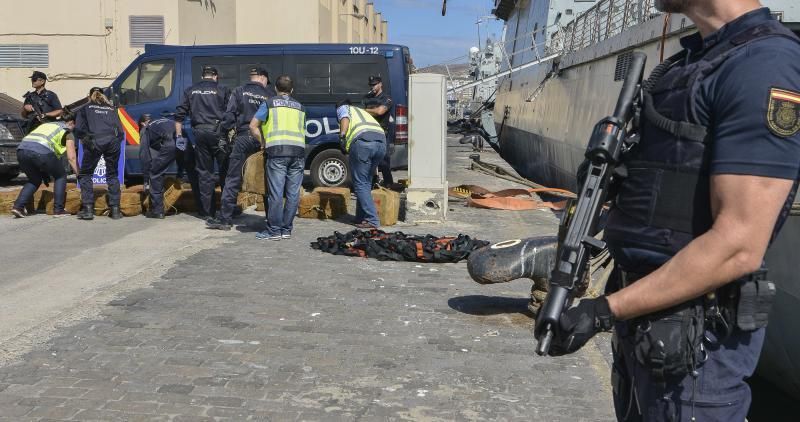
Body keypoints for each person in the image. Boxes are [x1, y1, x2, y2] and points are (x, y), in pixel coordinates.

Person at [547, 1, 800, 421]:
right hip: (649, 324)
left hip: (696, 344)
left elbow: (739, 246)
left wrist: (604, 311)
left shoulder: (764, 64)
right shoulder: (695, 59)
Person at [207, 67, 275, 230]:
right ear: (262, 78)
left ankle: (225, 220)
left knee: (233, 179)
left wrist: (223, 134)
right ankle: (271, 219)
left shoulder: (239, 91)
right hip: (262, 140)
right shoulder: (270, 95)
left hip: (243, 137)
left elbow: (229, 116)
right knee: (266, 179)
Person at [249, 75, 306, 241]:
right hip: (298, 153)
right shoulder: (301, 107)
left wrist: (263, 142)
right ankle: (287, 229)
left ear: (275, 89)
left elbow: (253, 126)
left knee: (276, 193)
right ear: (292, 90)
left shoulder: (270, 103)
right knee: (293, 193)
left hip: (277, 152)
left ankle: (274, 231)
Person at [174, 66, 231, 219]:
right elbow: (232, 113)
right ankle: (227, 211)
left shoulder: (191, 90)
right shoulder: (223, 89)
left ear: (203, 75)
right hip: (219, 134)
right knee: (225, 171)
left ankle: (208, 213)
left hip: (199, 134)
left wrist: (179, 137)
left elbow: (179, 115)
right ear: (215, 76)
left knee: (205, 173)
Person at [9, 113, 78, 218]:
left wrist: (44, 171)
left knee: (34, 179)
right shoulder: (67, 131)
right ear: (72, 123)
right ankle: (58, 210)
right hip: (41, 152)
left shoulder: (47, 125)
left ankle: (18, 207)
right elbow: (71, 158)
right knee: (60, 176)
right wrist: (79, 174)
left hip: (21, 151)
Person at [75, 87, 125, 220]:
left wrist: (87, 142)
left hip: (95, 141)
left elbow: (79, 129)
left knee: (85, 174)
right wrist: (114, 142)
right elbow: (120, 132)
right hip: (113, 141)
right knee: (112, 174)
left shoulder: (85, 107)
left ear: (89, 96)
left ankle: (88, 210)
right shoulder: (111, 108)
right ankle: (115, 211)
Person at [336, 99, 386, 229]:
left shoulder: (344, 107)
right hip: (381, 143)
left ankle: (372, 220)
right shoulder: (361, 112)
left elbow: (344, 118)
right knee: (366, 183)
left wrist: (342, 136)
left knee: (360, 183)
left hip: (363, 143)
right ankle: (361, 217)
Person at [138, 114, 177, 219]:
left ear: (142, 124)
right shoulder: (163, 121)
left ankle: (158, 211)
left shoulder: (145, 129)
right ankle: (205, 210)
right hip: (184, 140)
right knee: (193, 172)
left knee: (155, 174)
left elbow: (144, 155)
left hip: (170, 143)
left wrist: (146, 179)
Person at [363, 75, 394, 186]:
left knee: (384, 161)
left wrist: (366, 110)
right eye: (371, 85)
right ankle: (371, 182)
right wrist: (372, 110)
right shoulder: (366, 98)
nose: (373, 86)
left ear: (380, 84)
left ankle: (388, 184)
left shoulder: (387, 98)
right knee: (369, 160)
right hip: (369, 132)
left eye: (375, 84)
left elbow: (380, 111)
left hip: (382, 133)